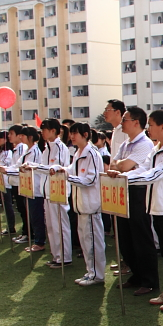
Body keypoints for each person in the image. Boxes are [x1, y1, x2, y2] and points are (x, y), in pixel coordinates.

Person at [115, 110, 163, 311]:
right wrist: (123, 176)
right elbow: (142, 168)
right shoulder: (156, 148)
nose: (149, 129)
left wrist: (125, 179)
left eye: (151, 125)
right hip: (156, 207)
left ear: (162, 127)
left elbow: (154, 174)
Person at [112, 107, 157, 296]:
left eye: (125, 119)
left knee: (141, 237)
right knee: (126, 237)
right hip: (124, 192)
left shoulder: (144, 144)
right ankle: (136, 275)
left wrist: (121, 167)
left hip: (138, 193)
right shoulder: (126, 144)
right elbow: (113, 165)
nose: (122, 123)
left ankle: (149, 280)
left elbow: (122, 166)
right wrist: (120, 167)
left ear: (136, 122)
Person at [56, 122, 105, 286]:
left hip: (90, 206)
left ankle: (97, 274)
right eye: (71, 133)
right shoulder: (79, 152)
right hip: (81, 206)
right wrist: (63, 170)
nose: (71, 136)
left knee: (93, 241)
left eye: (75, 133)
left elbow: (90, 179)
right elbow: (72, 169)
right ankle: (90, 271)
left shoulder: (91, 153)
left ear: (85, 135)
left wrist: (68, 178)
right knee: (85, 241)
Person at [34, 120, 72, 266]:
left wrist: (36, 167)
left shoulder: (60, 147)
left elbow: (57, 168)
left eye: (45, 129)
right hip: (47, 192)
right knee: (51, 226)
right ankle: (56, 255)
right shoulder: (46, 148)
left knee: (60, 226)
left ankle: (65, 257)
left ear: (54, 131)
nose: (42, 132)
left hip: (58, 191)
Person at [18, 127, 47, 251]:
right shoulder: (27, 150)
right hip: (27, 187)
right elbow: (19, 165)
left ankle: (40, 242)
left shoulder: (35, 152)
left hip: (35, 188)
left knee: (37, 216)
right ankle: (37, 240)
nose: (20, 138)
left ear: (30, 137)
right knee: (32, 215)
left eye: (22, 135)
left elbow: (34, 169)